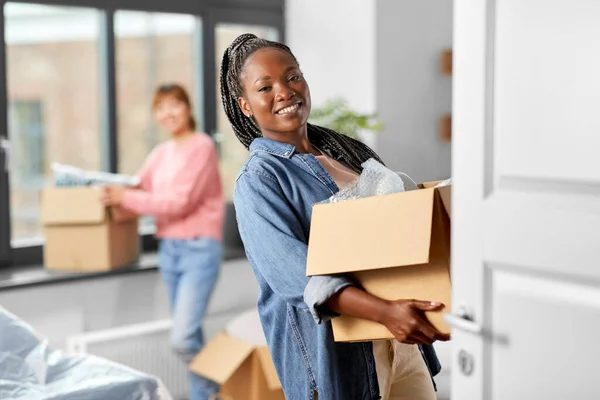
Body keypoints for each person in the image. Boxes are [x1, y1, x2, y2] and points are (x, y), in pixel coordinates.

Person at [221, 34, 450, 400]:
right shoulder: (259, 180)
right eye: (265, 87)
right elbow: (298, 277)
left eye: (292, 76)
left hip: (401, 340)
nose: (284, 91)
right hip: (345, 357)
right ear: (245, 105)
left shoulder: (347, 152)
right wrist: (386, 311)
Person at [100, 83, 224, 400]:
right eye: (160, 107)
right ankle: (204, 396)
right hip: (170, 251)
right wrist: (110, 194)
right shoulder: (160, 153)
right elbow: (137, 190)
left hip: (199, 249)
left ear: (188, 108)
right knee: (191, 333)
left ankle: (215, 387)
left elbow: (178, 202)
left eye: (174, 105)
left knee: (182, 338)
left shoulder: (202, 146)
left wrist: (126, 196)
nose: (167, 113)